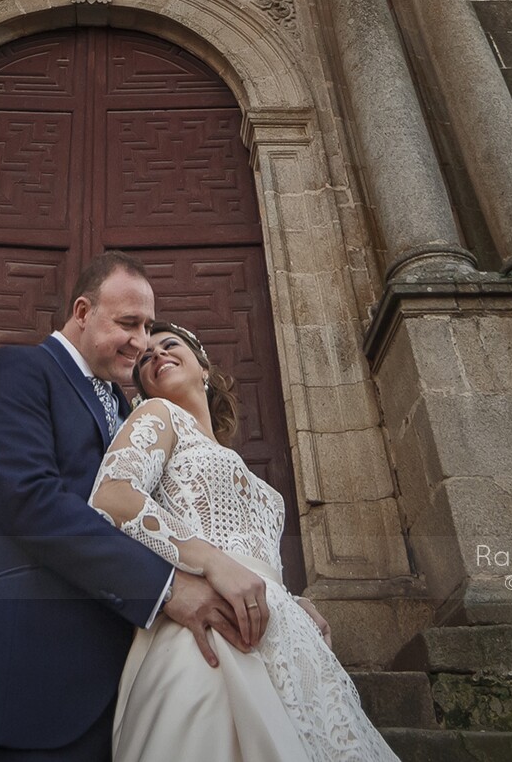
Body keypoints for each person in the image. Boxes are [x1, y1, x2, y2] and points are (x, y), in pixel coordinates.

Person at [0, 252, 251, 762]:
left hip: (125, 691)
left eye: (148, 325)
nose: (142, 340)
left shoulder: (133, 413)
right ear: (82, 311)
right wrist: (165, 588)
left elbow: (180, 521)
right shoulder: (19, 369)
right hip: (32, 678)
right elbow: (30, 502)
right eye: (128, 323)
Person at [90, 321, 400, 762]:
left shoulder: (248, 474)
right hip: (208, 627)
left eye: (169, 345)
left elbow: (253, 557)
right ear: (141, 389)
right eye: (144, 358)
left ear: (204, 368)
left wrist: (294, 600)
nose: (155, 355)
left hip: (283, 635)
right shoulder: (158, 416)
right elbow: (112, 496)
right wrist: (212, 562)